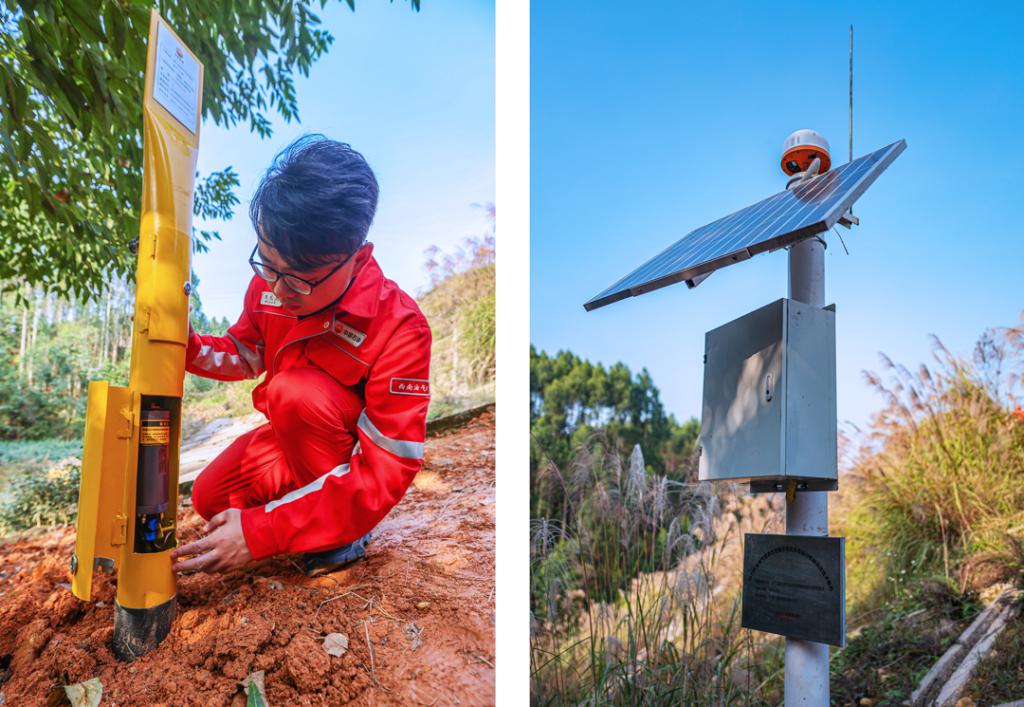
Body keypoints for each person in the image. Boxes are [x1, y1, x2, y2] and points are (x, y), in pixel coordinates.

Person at [171, 135, 431, 577]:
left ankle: (342, 532)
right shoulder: (270, 284)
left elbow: (386, 467)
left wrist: (260, 533)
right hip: (287, 442)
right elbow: (244, 353)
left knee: (295, 391)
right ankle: (305, 514)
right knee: (210, 497)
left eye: (300, 278)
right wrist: (187, 345)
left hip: (345, 463)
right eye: (268, 264)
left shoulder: (400, 327)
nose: (277, 288)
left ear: (357, 257)